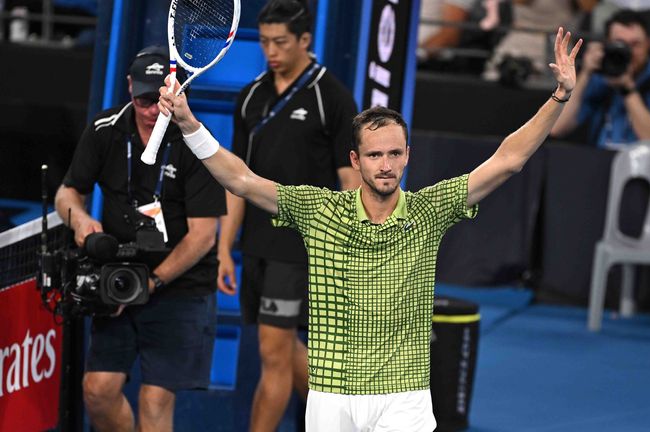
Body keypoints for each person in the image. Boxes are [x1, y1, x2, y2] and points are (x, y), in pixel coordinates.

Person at [163, 26, 580, 432]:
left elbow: (507, 160)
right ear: (355, 160)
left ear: (407, 156)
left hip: (405, 396)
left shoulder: (429, 210)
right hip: (331, 396)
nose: (385, 164)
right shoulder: (319, 210)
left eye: (395, 153)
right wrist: (188, 125)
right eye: (375, 154)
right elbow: (241, 180)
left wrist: (559, 95)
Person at [54, 46, 225, 432]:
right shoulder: (105, 130)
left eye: (159, 99)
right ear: (129, 88)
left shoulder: (198, 143)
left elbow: (202, 237)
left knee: (155, 398)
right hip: (119, 280)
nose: (151, 110)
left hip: (179, 286)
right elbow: (67, 193)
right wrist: (80, 221)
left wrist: (152, 282)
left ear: (177, 92)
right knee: (97, 391)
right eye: (142, 99)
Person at [216, 1, 360, 430]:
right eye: (263, 42)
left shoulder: (331, 96)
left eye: (280, 42)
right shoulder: (250, 98)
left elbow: (351, 183)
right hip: (256, 246)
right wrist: (225, 248)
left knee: (272, 353)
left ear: (304, 41)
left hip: (301, 247)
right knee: (281, 349)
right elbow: (238, 182)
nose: (271, 51)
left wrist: (352, 247)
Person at [551, 9, 650, 147]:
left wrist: (627, 88)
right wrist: (585, 72)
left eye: (635, 44)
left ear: (648, 45)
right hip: (600, 162)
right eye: (620, 44)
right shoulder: (599, 79)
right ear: (606, 45)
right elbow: (557, 127)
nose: (628, 52)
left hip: (646, 165)